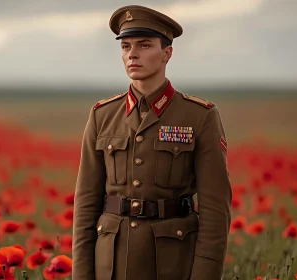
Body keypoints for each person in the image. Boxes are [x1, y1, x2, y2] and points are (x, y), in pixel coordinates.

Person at [72, 4, 232, 280]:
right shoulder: (103, 115)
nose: (132, 54)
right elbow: (86, 204)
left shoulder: (199, 116)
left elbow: (215, 210)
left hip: (172, 264)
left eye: (144, 45)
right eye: (125, 47)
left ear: (167, 53)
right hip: (110, 265)